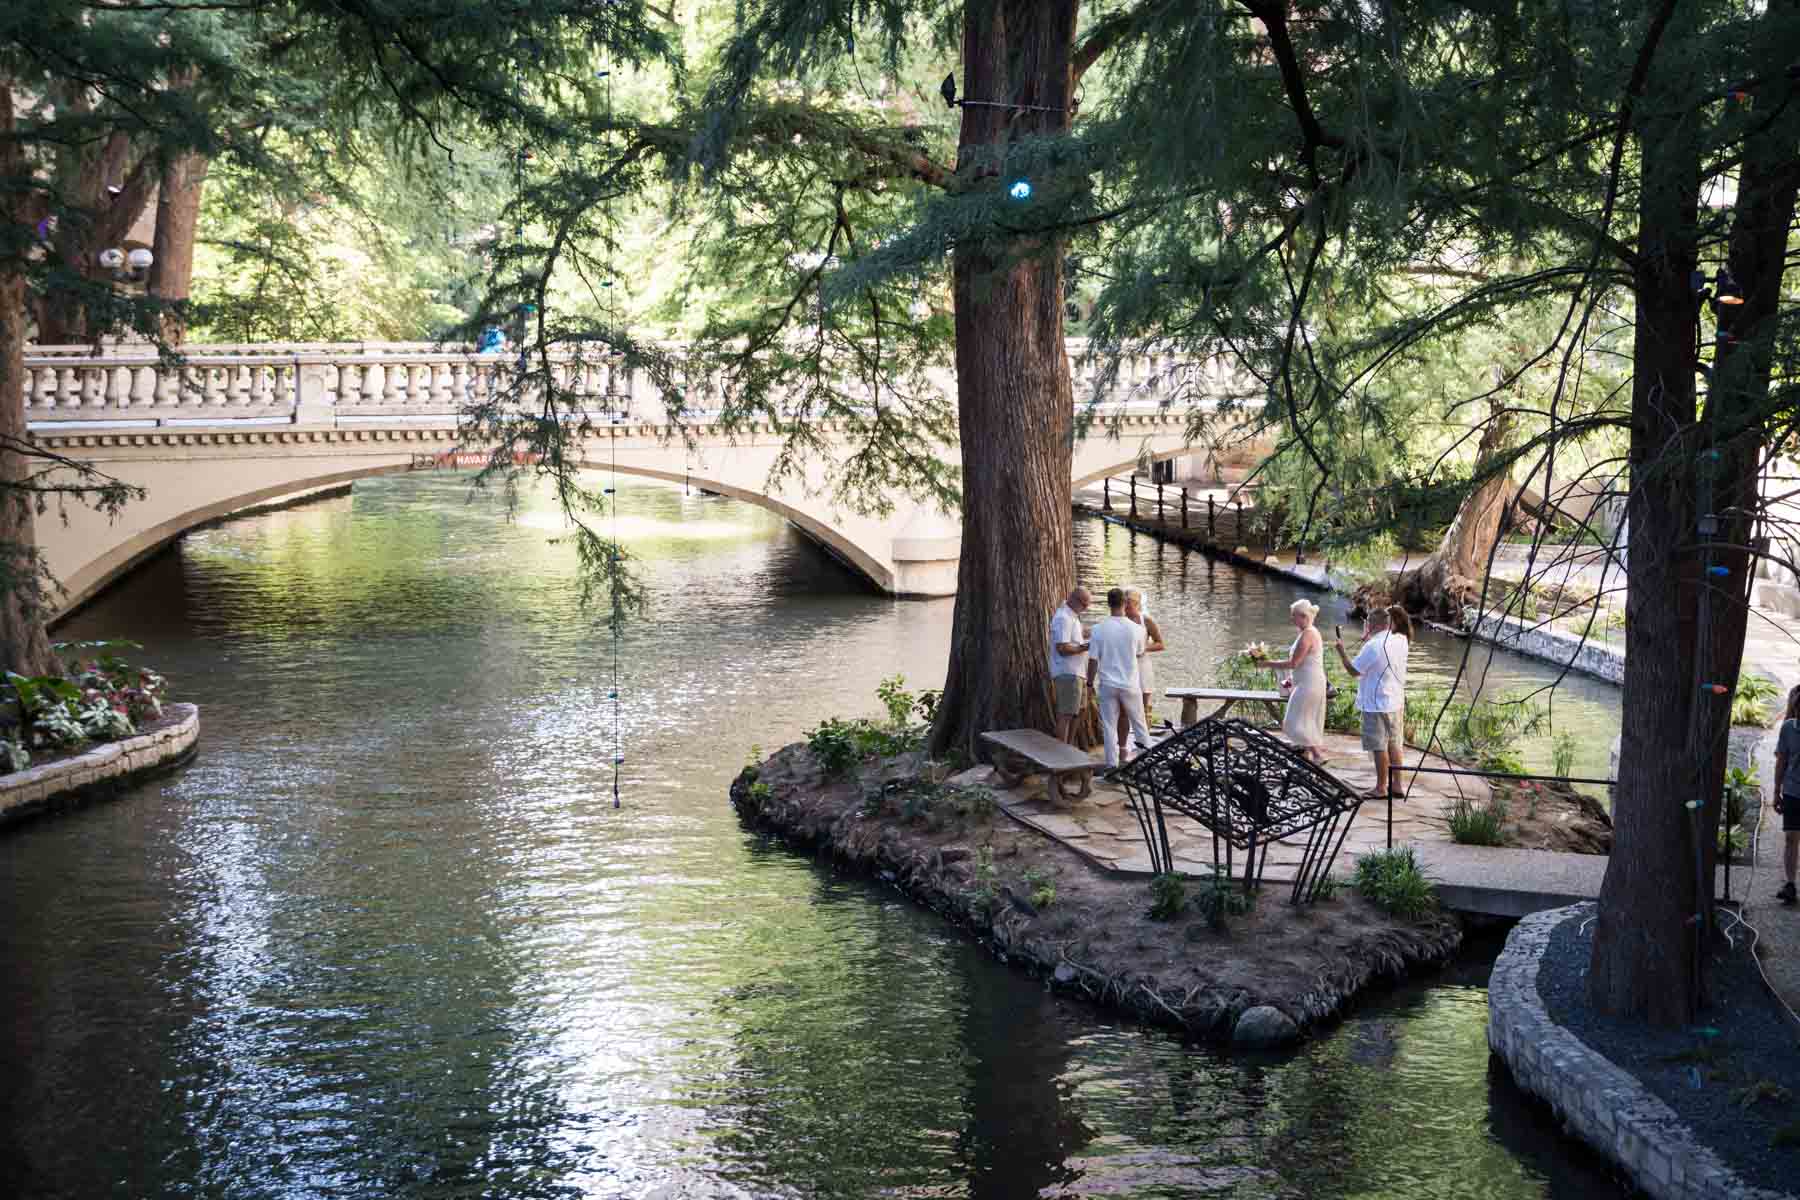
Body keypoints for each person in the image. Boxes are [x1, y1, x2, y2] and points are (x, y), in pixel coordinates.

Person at [1334, 604, 1411, 799]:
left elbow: (1354, 671)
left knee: (1379, 746)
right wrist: (1370, 636)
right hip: (1395, 701)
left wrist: (1342, 651)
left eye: (1366, 623)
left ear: (1371, 625)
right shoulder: (1401, 640)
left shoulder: (1372, 646)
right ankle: (1398, 785)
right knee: (1394, 744)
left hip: (1376, 703)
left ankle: (1380, 787)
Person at [1086, 587, 1150, 770]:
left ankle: (1111, 764)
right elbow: (1139, 652)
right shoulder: (1137, 629)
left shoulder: (1098, 629)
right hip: (1130, 683)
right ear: (1124, 603)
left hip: (1107, 684)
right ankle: (1146, 762)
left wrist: (1089, 683)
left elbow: (1093, 660)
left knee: (1109, 725)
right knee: (1139, 724)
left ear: (1108, 604)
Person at [1258, 598, 1328, 764]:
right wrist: (1289, 679)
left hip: (1310, 683)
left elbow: (1293, 663)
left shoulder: (1308, 634)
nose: (1291, 619)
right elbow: (1299, 662)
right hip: (1305, 681)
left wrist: (1267, 663)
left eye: (1294, 616)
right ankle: (1310, 756)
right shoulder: (1307, 632)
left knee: (1293, 721)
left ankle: (1318, 754)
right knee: (1303, 719)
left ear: (1303, 616)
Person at [1122, 587, 1166, 749]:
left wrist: (1143, 649)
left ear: (1138, 604)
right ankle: (1125, 740)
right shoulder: (1120, 620)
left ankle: (1144, 740)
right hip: (1125, 666)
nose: (1127, 607)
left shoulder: (1146, 620)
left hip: (1142, 665)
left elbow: (1160, 644)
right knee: (1126, 704)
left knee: (1144, 704)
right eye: (1124, 603)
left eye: (1130, 604)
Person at [1048, 586, 1092, 744]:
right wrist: (1087, 647)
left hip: (1078, 672)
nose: (1087, 607)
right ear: (1074, 599)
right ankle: (1061, 753)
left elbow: (1078, 635)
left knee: (1079, 711)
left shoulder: (1073, 617)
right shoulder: (1063, 618)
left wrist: (1098, 631)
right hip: (1067, 673)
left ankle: (1070, 746)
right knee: (1066, 714)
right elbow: (1062, 648)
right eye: (1085, 603)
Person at [1773, 684, 1800, 904]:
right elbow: (1781, 761)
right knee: (1791, 838)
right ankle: (1790, 884)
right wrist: (1776, 792)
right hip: (1792, 792)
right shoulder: (1788, 729)